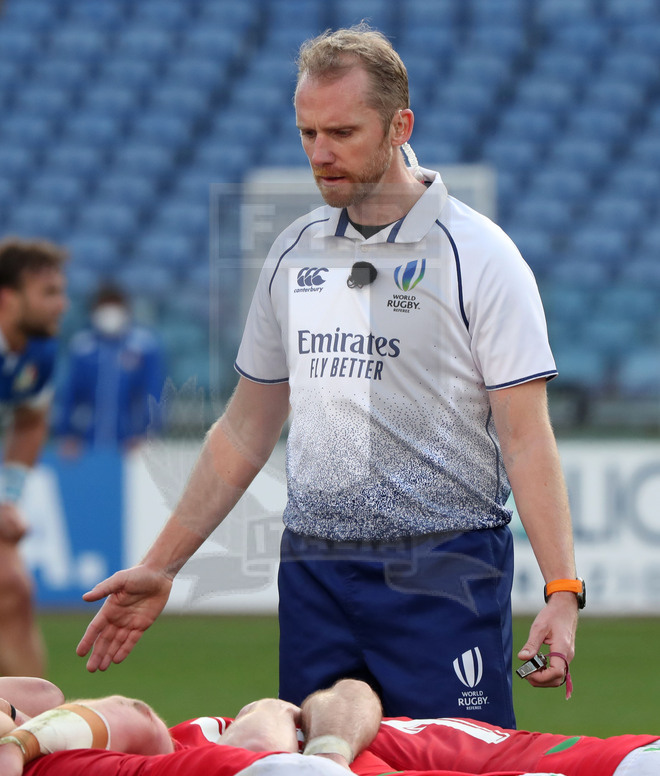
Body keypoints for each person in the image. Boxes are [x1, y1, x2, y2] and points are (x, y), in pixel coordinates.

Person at [76, 25, 580, 727]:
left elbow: (526, 439)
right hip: (313, 573)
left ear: (400, 126)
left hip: (445, 571)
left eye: (341, 132)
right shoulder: (293, 253)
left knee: (451, 769)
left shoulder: (481, 256)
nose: (319, 153)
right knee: (313, 770)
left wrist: (562, 590)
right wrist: (162, 565)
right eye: (307, 133)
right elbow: (245, 429)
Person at [2, 677, 660, 776]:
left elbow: (347, 695)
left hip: (343, 748)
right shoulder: (60, 772)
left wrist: (325, 745)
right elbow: (130, 715)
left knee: (618, 761)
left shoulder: (55, 740)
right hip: (322, 774)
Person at [0, 237, 68, 677]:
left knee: (13, 587)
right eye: (49, 293)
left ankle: (32, 715)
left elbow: (30, 422)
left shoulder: (38, 352)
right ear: (8, 299)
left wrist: (8, 498)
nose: (62, 304)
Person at [55, 283, 165, 453]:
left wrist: (147, 433)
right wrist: (67, 433)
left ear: (126, 310)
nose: (109, 313)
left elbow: (153, 392)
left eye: (115, 307)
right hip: (86, 442)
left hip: (131, 442)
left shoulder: (144, 346)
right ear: (93, 311)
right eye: (104, 307)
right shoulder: (82, 347)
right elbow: (69, 393)